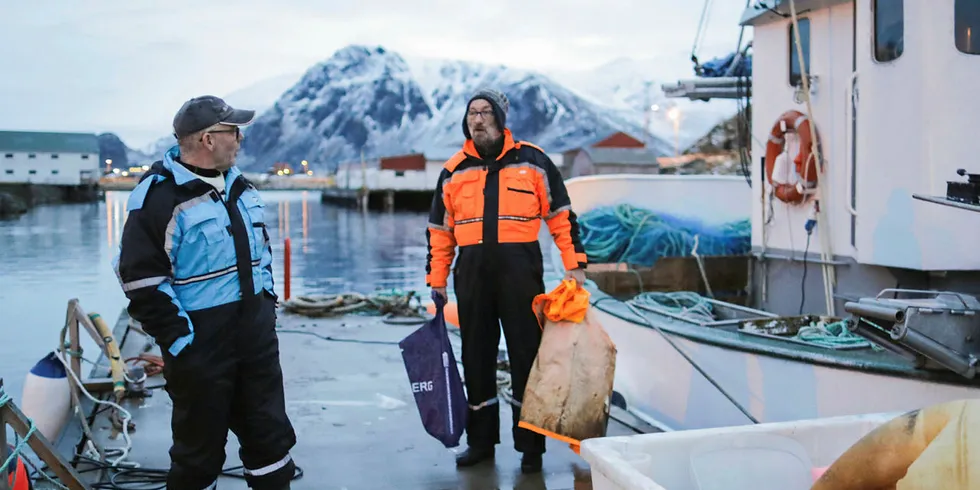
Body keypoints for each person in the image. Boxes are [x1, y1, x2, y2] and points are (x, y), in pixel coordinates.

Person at [113, 95, 297, 490]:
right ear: (209, 139)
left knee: (271, 442)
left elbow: (261, 257)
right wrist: (181, 341)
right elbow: (140, 279)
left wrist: (267, 314)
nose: (240, 140)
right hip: (201, 348)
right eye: (234, 132)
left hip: (255, 342)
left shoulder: (241, 187)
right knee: (198, 455)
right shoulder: (158, 198)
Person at [425, 88, 588, 474]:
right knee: (476, 359)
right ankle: (481, 443)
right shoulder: (453, 170)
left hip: (521, 276)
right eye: (472, 113)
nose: (477, 119)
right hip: (473, 277)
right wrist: (437, 279)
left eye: (485, 112)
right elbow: (439, 233)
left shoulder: (533, 161)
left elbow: (562, 217)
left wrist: (574, 264)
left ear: (500, 118)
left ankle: (532, 449)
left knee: (526, 361)